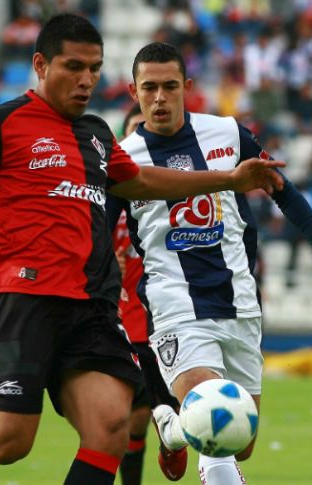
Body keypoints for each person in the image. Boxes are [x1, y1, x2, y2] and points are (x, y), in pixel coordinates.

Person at [0, 14, 286, 485]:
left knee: (109, 429)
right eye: (73, 67)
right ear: (40, 64)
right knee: (6, 445)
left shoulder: (97, 134)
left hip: (91, 308)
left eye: (94, 69)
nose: (85, 80)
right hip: (25, 302)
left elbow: (141, 181)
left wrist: (228, 179)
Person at [106, 42, 312, 485]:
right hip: (175, 303)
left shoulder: (227, 133)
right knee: (215, 420)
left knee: (241, 440)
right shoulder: (122, 160)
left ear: (188, 87)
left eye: (169, 86)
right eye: (149, 88)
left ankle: (172, 428)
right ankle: (190, 430)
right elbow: (99, 235)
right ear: (133, 91)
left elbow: (280, 187)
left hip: (239, 299)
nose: (160, 97)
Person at [113, 105, 186, 484]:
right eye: (132, 131)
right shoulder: (112, 191)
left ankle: (174, 444)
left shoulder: (169, 190)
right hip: (126, 318)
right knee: (134, 417)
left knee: (163, 412)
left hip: (169, 309)